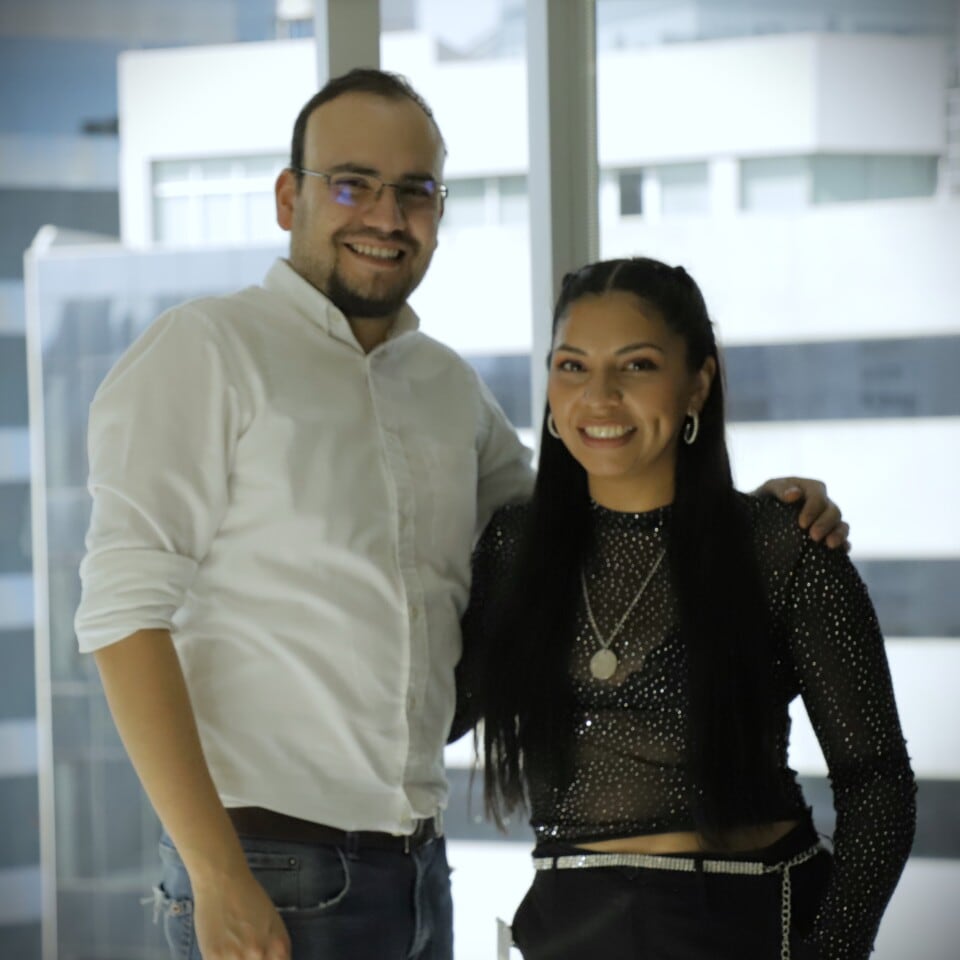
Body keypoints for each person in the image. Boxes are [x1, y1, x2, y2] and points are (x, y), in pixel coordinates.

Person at [74, 69, 850, 960]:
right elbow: (121, 617)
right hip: (266, 868)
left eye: (415, 191)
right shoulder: (206, 350)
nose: (386, 215)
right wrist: (216, 875)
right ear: (290, 197)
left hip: (416, 871)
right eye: (351, 184)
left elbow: (591, 526)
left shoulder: (446, 386)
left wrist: (758, 517)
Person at [456, 258, 916, 960]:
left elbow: (877, 782)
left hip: (746, 920)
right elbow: (435, 712)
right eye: (572, 366)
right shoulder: (514, 548)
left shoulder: (783, 547)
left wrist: (834, 949)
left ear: (698, 382)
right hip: (570, 927)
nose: (599, 397)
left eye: (636, 366)